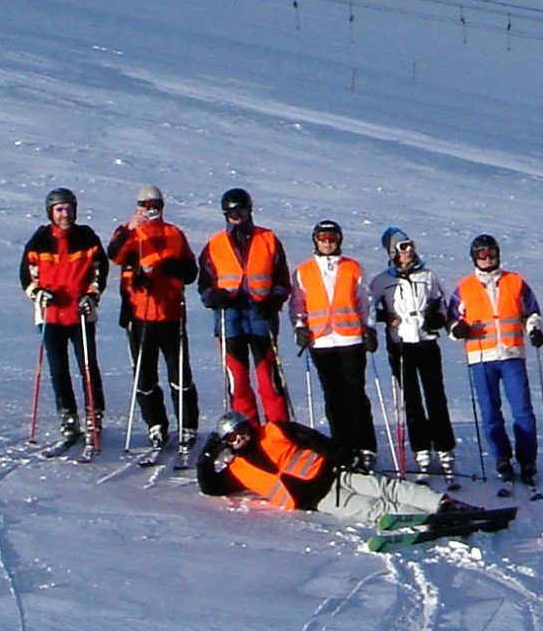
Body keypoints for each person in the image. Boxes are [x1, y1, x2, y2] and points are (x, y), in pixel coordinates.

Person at [195, 412, 516, 550]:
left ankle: (443, 505)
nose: (241, 438)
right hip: (320, 500)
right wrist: (207, 456)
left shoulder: (274, 430)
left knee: (387, 487)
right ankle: (420, 519)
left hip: (334, 474)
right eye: (233, 438)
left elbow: (314, 440)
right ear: (227, 444)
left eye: (242, 431)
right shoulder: (238, 469)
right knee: (371, 508)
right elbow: (210, 486)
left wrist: (343, 455)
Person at [105, 183, 198, 460]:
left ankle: (187, 425)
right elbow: (114, 255)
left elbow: (191, 271)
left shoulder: (174, 234)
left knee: (179, 374)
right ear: (139, 208)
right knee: (144, 375)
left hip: (170, 314)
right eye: (147, 207)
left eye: (156, 206)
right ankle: (155, 423)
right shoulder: (129, 232)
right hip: (140, 314)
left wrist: (177, 269)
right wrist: (130, 229)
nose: (152, 212)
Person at [447, 232, 543, 486]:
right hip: (481, 357)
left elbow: (531, 311)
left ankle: (527, 459)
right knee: (490, 411)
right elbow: (451, 318)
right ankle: (502, 456)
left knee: (522, 410)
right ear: (474, 258)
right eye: (482, 255)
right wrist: (458, 329)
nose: (487, 258)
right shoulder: (465, 287)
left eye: (491, 254)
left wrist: (534, 329)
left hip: (511, 354)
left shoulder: (515, 281)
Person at [18, 187, 109, 456]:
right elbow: (27, 274)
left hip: (80, 314)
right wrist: (38, 293)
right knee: (58, 369)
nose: (65, 214)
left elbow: (99, 271)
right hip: (51, 315)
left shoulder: (87, 238)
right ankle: (68, 418)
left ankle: (94, 416)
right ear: (51, 212)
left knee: (88, 367)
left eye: (69, 208)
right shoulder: (40, 240)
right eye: (59, 209)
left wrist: (91, 295)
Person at [366, 227, 458, 478]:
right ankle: (421, 448)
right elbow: (368, 306)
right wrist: (382, 319)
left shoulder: (427, 276)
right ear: (393, 252)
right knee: (411, 398)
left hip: (426, 341)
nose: (409, 251)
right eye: (403, 247)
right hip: (401, 344)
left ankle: (445, 447)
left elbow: (442, 302)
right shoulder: (383, 280)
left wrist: (437, 318)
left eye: (410, 245)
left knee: (435, 395)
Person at [196, 187, 291, 426]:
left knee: (268, 380)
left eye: (241, 211)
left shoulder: (268, 239)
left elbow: (282, 280)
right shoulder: (215, 244)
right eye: (231, 213)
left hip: (261, 317)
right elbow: (204, 284)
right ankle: (247, 432)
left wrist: (273, 300)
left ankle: (279, 432)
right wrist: (215, 297)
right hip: (229, 319)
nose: (236, 217)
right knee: (237, 382)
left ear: (250, 211)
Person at [290, 218, 378, 468]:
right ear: (315, 241)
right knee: (333, 396)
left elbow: (365, 301)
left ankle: (365, 446)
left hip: (350, 338)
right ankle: (342, 448)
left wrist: (369, 328)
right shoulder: (304, 271)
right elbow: (297, 304)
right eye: (323, 239)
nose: (327, 243)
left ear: (339, 240)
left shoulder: (353, 267)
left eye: (332, 238)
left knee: (355, 394)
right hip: (321, 341)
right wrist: (300, 328)